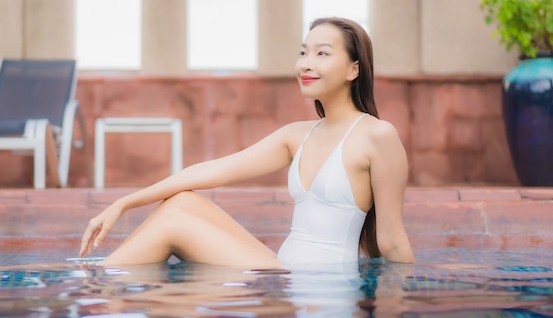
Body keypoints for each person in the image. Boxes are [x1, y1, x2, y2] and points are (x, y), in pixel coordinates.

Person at [79, 17, 415, 268]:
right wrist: (123, 203)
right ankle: (105, 280)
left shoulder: (377, 136)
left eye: (322, 53)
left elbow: (391, 242)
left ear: (353, 69)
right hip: (284, 275)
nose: (306, 63)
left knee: (174, 224)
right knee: (182, 202)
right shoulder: (297, 135)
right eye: (303, 52)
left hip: (320, 283)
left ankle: (93, 288)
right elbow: (214, 170)